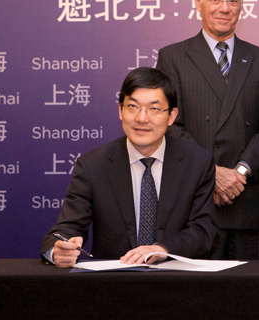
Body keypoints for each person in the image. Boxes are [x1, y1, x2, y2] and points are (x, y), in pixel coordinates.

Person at [40, 67, 219, 268]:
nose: (142, 118)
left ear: (171, 116)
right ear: (120, 110)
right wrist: (57, 250)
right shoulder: (93, 165)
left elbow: (203, 230)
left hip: (177, 283)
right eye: (133, 106)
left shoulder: (196, 163)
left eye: (154, 108)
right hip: (114, 286)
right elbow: (66, 229)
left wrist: (162, 249)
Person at [157, 0, 259, 260]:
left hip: (248, 198)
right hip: (196, 201)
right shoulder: (173, 57)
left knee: (250, 298)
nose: (225, 8)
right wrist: (211, 173)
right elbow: (169, 125)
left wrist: (239, 173)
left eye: (233, 0)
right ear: (198, 2)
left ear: (241, 6)